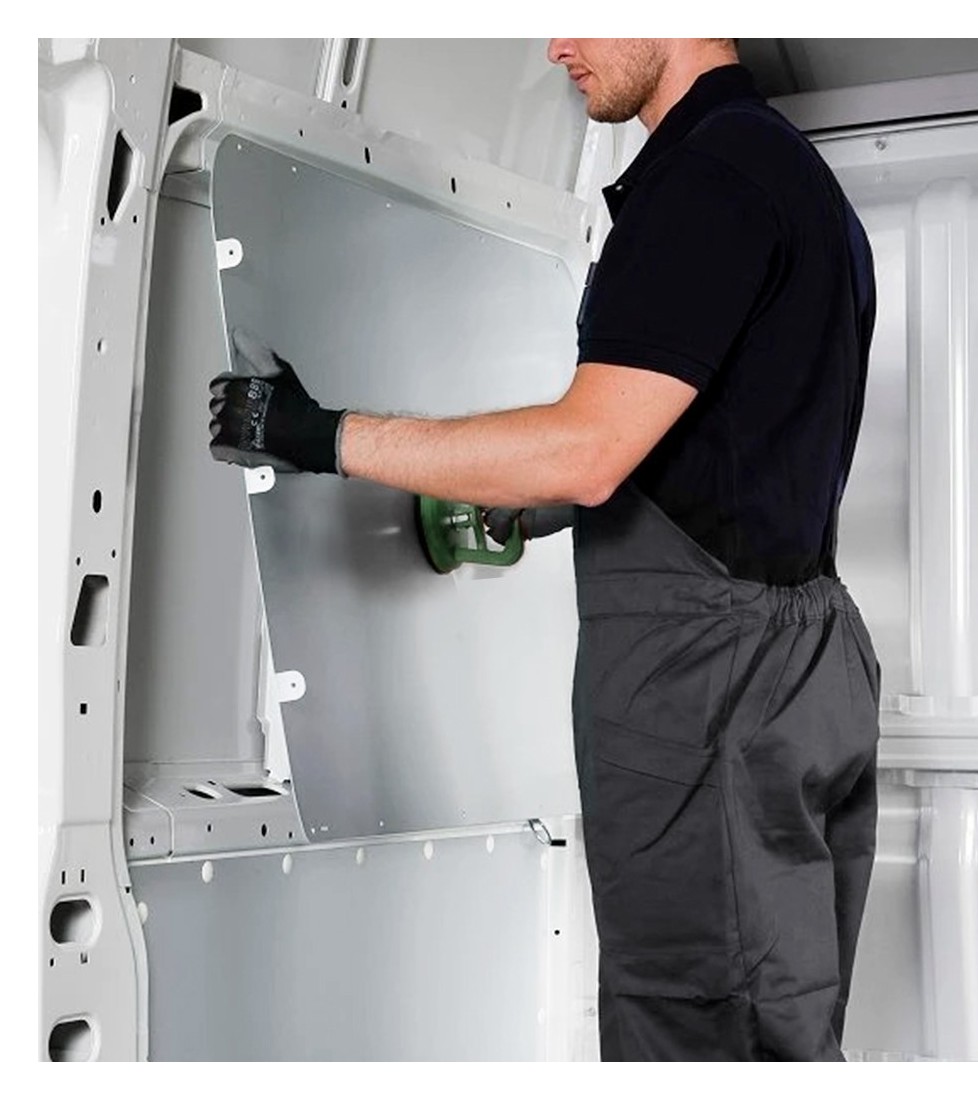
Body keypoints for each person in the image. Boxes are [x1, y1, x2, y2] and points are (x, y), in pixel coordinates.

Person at [209, 38, 881, 1062]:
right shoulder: (794, 179)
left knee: (696, 1030)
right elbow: (736, 446)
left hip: (710, 689)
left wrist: (321, 434)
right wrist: (536, 504)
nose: (555, 42)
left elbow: (587, 450)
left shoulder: (709, 177)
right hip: (801, 667)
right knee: (778, 1020)